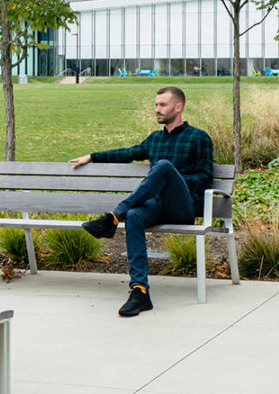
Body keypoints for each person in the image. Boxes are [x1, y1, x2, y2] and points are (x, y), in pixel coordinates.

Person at [70, 86, 215, 317]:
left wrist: (170, 179)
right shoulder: (155, 139)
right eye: (156, 105)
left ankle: (113, 218)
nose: (157, 109)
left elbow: (205, 177)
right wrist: (93, 156)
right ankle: (140, 292)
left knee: (164, 167)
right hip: (156, 207)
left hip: (183, 207)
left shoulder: (198, 137)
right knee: (136, 215)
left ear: (178, 107)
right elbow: (128, 153)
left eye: (162, 105)